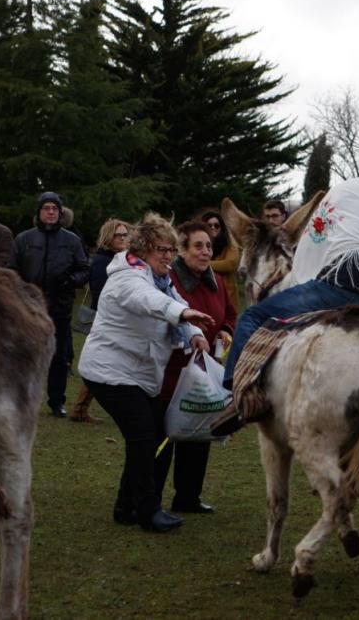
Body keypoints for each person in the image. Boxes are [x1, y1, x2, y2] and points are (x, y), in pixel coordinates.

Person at [212, 136, 359, 436]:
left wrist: (306, 279)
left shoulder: (346, 192)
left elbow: (317, 236)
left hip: (338, 288)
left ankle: (234, 396)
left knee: (253, 317)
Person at [78, 213, 214, 532]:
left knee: (157, 436)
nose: (168, 256)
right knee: (143, 438)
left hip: (137, 374)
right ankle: (148, 511)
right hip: (108, 372)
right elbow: (149, 302)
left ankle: (127, 507)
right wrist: (181, 314)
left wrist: (192, 330)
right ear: (142, 249)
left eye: (171, 249)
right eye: (160, 249)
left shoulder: (161, 280)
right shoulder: (128, 277)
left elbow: (173, 300)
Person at [154, 219, 236, 514]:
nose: (205, 252)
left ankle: (188, 497)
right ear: (182, 250)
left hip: (204, 372)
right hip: (171, 372)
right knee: (163, 437)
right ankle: (151, 499)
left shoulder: (217, 282)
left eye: (209, 246)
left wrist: (226, 329)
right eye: (198, 246)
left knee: (198, 434)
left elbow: (230, 314)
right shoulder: (168, 280)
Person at [9, 191, 89, 417]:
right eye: (47, 208)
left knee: (59, 358)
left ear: (60, 213)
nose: (51, 212)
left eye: (55, 208)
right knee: (26, 355)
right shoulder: (24, 239)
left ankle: (57, 401)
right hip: (29, 308)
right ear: (39, 212)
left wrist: (69, 281)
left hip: (60, 308)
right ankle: (21, 399)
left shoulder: (72, 241)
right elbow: (11, 268)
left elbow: (84, 270)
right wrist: (22, 290)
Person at [69, 217, 129, 423]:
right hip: (106, 320)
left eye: (124, 234)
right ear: (108, 237)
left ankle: (80, 408)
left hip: (114, 320)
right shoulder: (104, 261)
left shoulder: (118, 259)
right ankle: (80, 408)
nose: (122, 238)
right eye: (118, 235)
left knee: (108, 364)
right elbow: (101, 291)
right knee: (104, 365)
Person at [201, 210, 242, 313]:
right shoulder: (200, 244)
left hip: (227, 295)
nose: (213, 228)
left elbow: (230, 264)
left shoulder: (229, 244)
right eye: (209, 225)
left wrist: (204, 263)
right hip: (204, 293)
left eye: (216, 225)